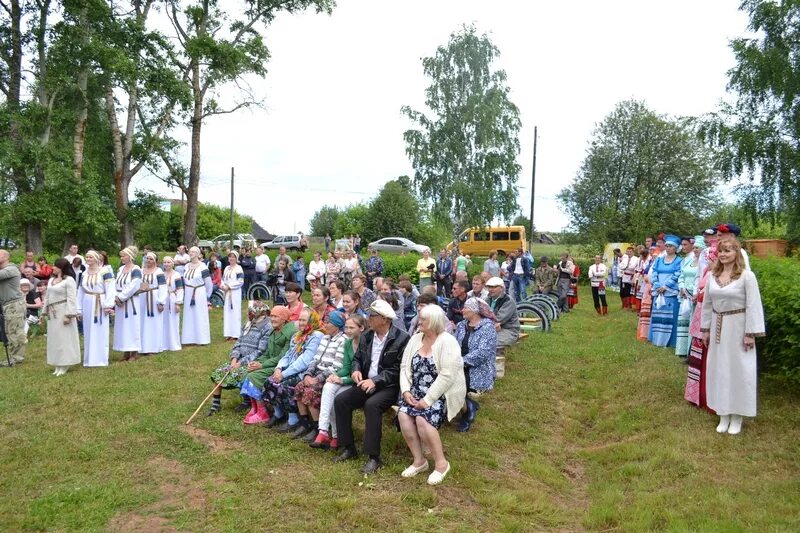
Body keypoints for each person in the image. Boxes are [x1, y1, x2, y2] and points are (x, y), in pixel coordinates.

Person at [333, 299, 411, 474]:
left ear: (384, 319)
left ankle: (373, 457)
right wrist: (355, 370)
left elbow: (398, 369)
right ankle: (348, 447)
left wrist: (375, 380)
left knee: (372, 405)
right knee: (341, 400)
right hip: (365, 382)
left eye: (372, 315)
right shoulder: (367, 335)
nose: (368, 318)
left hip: (388, 386)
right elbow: (357, 359)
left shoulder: (402, 338)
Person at [701, 239, 765, 435]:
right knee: (720, 370)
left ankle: (737, 415)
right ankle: (723, 413)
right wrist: (705, 329)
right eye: (721, 251)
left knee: (739, 370)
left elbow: (754, 306)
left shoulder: (747, 277)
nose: (723, 254)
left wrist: (750, 333)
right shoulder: (713, 275)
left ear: (736, 253)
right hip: (718, 329)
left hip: (739, 329)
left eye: (727, 251)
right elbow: (707, 304)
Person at [398, 304, 465, 485]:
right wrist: (405, 391)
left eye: (423, 320)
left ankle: (441, 464)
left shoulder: (448, 341)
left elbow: (447, 375)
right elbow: (404, 367)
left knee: (422, 419)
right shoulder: (415, 339)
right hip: (415, 390)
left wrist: (428, 400)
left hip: (441, 393)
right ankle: (419, 461)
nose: (418, 322)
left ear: (434, 321)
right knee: (403, 415)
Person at [206, 301, 274, 416]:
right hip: (238, 361)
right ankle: (216, 404)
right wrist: (234, 359)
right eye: (250, 312)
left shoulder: (267, 327)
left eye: (252, 312)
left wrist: (241, 363)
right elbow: (238, 343)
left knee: (241, 374)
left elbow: (260, 351)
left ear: (261, 314)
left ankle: (247, 400)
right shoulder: (247, 324)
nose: (249, 315)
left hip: (252, 362)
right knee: (220, 372)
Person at [262, 309, 324, 430]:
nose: (300, 323)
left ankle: (293, 419)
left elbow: (305, 361)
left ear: (311, 321)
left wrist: (284, 374)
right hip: (289, 369)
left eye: (304, 320)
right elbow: (288, 355)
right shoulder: (298, 335)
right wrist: (279, 368)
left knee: (283, 385)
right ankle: (278, 414)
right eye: (299, 319)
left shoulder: (316, 336)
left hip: (304, 372)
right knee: (269, 381)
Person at [233, 306, 297, 422]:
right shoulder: (274, 331)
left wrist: (262, 365)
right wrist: (256, 362)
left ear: (284, 319)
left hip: (281, 366)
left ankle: (263, 412)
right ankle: (255, 408)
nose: (272, 319)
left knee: (254, 376)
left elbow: (282, 357)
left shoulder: (290, 333)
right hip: (271, 363)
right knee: (248, 372)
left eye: (275, 316)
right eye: (271, 316)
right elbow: (268, 353)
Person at [311, 314, 366, 450]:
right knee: (329, 387)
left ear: (362, 328)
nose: (347, 330)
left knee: (336, 396)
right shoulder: (348, 343)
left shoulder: (367, 343)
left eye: (351, 328)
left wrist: (342, 379)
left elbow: (364, 372)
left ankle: (335, 435)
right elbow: (347, 367)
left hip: (360, 381)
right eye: (346, 327)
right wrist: (335, 376)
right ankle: (324, 431)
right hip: (349, 379)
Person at [292, 310, 348, 441]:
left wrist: (317, 379)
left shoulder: (343, 340)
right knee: (300, 387)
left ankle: (319, 428)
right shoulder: (325, 338)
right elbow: (315, 359)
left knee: (310, 392)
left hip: (328, 376)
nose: (325, 324)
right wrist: (308, 374)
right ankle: (306, 424)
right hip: (315, 374)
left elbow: (336, 366)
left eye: (328, 322)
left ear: (336, 325)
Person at [453, 297, 497, 432]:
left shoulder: (487, 327)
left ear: (475, 311)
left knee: (452, 387)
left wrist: (461, 362)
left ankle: (467, 410)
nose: (463, 310)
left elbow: (483, 353)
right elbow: (453, 345)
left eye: (466, 307)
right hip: (458, 365)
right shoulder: (461, 325)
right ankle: (468, 404)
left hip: (476, 369)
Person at [76, 251, 115, 366]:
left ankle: (100, 359)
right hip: (87, 302)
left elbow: (111, 288)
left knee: (100, 330)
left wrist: (108, 305)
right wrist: (78, 309)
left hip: (100, 302)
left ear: (96, 259)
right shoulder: (84, 273)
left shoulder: (104, 272)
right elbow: (80, 291)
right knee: (88, 330)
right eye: (87, 256)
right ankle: (89, 359)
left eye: (90, 257)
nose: (88, 258)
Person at [43, 258, 81, 376]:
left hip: (63, 310)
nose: (52, 268)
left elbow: (72, 298)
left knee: (65, 338)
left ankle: (65, 363)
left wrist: (69, 315)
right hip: (53, 313)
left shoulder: (69, 280)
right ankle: (57, 363)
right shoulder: (51, 280)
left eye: (55, 266)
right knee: (55, 339)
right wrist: (44, 312)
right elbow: (47, 297)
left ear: (61, 268)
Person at [648, 235, 683, 348]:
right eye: (667, 246)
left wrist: (666, 286)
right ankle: (656, 338)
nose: (668, 248)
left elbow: (677, 274)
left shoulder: (679, 261)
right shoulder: (659, 260)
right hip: (659, 291)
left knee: (669, 316)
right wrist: (657, 285)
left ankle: (669, 341)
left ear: (676, 248)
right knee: (657, 314)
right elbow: (654, 272)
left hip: (670, 292)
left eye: (670, 246)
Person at [113, 246, 143, 361]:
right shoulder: (120, 269)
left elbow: (134, 285)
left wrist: (121, 297)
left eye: (124, 255)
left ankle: (134, 352)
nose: (122, 257)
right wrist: (116, 297)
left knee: (132, 325)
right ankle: (125, 351)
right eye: (121, 255)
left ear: (130, 257)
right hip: (120, 301)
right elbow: (116, 283)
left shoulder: (136, 269)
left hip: (131, 302)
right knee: (122, 326)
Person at [182, 246, 213, 346]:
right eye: (190, 252)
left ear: (198, 254)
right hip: (188, 292)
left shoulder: (203, 267)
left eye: (193, 252)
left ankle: (202, 339)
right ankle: (189, 338)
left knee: (199, 314)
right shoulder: (186, 266)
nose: (191, 253)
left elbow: (208, 283)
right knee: (189, 314)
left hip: (199, 292)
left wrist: (207, 296)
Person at [0, 250, 27, 366]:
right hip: (8, 305)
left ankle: (17, 358)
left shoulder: (11, 269)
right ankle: (13, 356)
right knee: (10, 331)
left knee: (15, 331)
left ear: (5, 257)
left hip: (14, 305)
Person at [138, 252, 167, 355]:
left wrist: (161, 302)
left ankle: (153, 347)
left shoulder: (159, 272)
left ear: (155, 261)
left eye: (151, 259)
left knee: (153, 323)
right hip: (142, 298)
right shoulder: (141, 271)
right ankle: (142, 347)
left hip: (154, 297)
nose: (148, 261)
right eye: (147, 258)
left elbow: (163, 287)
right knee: (142, 322)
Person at [676, 238, 700, 358]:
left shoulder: (703, 262)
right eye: (694, 247)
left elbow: (699, 278)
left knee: (692, 324)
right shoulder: (688, 260)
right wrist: (681, 287)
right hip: (685, 295)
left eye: (697, 247)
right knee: (684, 323)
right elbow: (681, 275)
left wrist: (694, 292)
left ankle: (691, 352)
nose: (695, 250)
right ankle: (682, 350)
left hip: (695, 296)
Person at [485, 276, 519, 348]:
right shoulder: (487, 299)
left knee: (489, 342)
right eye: (489, 287)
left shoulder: (508, 301)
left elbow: (498, 319)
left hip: (508, 330)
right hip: (492, 328)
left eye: (494, 287)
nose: (491, 289)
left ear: (501, 288)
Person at [161, 256, 183, 352]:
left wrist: (178, 303)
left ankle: (174, 344)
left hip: (172, 298)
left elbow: (180, 289)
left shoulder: (177, 274)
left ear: (172, 263)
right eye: (165, 262)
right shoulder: (161, 274)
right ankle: (163, 344)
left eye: (168, 262)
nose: (166, 264)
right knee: (163, 321)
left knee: (173, 321)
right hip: (163, 299)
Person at [221, 251, 244, 341]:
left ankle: (236, 333)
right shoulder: (227, 268)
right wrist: (223, 285)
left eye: (233, 257)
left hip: (235, 293)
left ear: (236, 258)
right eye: (230, 257)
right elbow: (223, 279)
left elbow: (240, 281)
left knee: (235, 311)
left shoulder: (239, 268)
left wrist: (230, 286)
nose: (231, 258)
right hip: (227, 293)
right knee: (227, 311)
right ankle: (228, 333)